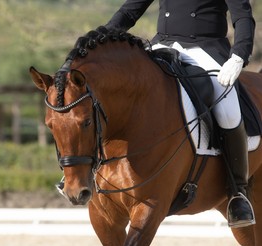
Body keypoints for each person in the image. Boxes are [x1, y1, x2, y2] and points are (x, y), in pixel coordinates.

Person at [104, 0, 256, 228]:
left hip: (205, 49)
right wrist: (102, 42)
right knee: (117, 89)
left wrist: (238, 56)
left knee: (228, 109)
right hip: (161, 47)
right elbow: (129, 12)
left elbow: (242, 17)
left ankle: (237, 193)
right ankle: (85, 164)